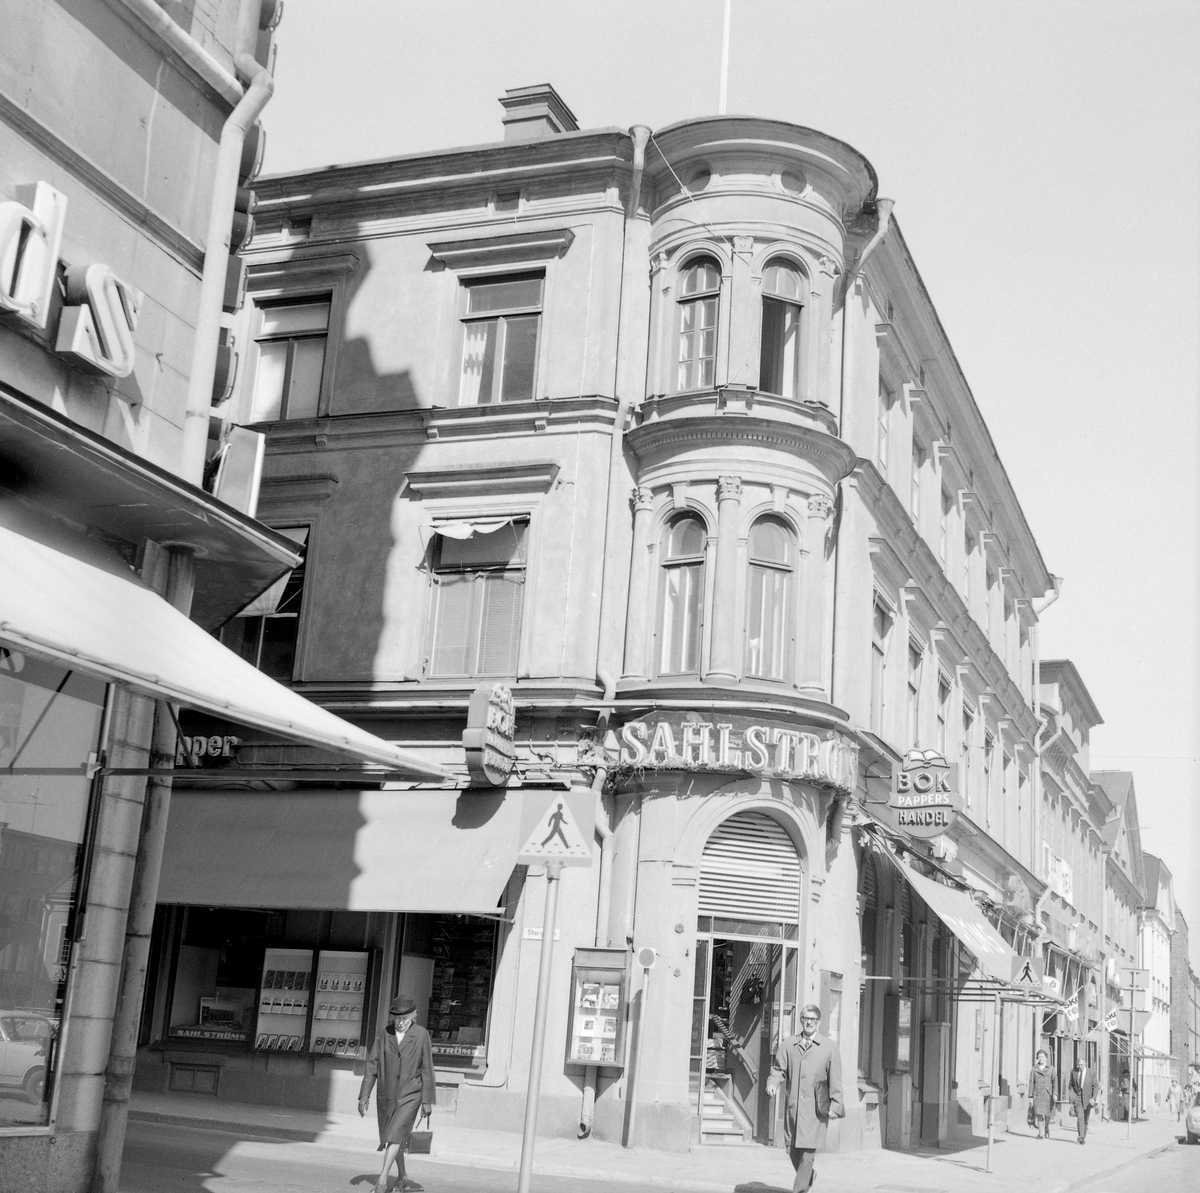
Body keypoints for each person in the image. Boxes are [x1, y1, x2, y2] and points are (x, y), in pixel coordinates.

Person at [358, 996, 435, 1193]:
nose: (400, 1022)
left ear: (413, 1016)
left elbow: (427, 1068)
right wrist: (364, 1095)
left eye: (404, 1018)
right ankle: (402, 1177)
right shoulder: (384, 1034)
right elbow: (372, 1065)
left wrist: (427, 1101)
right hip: (387, 1095)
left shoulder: (421, 1035)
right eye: (397, 1018)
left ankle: (382, 1180)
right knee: (395, 1137)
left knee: (394, 1135)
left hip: (411, 1094)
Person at [766, 1004, 844, 1192]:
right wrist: (773, 1083)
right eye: (806, 1018)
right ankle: (808, 1175)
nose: (809, 1022)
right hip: (794, 1108)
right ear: (801, 1020)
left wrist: (836, 1104)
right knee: (793, 1151)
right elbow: (778, 1069)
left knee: (808, 1155)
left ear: (819, 1021)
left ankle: (800, 1189)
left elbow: (835, 1078)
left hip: (815, 1112)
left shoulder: (829, 1047)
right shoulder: (789, 1044)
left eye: (813, 1019)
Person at [1068, 1059, 1097, 1144]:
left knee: (1085, 1118)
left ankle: (1083, 1135)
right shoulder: (1073, 1072)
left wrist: (1093, 1098)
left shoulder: (1091, 1072)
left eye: (1081, 1065)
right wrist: (1072, 1096)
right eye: (1078, 1065)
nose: (1079, 1066)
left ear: (1085, 1064)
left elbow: (1095, 1086)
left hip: (1088, 1098)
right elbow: (1071, 1084)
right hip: (1077, 1097)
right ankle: (1081, 1136)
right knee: (1080, 1117)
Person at [1028, 1049, 1056, 1139]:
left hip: (1048, 1094)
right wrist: (1030, 1096)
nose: (1041, 1059)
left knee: (1047, 1113)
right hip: (1037, 1094)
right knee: (1039, 1114)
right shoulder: (1034, 1069)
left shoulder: (1051, 1069)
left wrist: (1055, 1094)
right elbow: (1031, 1082)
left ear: (1046, 1058)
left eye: (1042, 1057)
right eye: (1039, 1057)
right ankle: (1041, 1133)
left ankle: (1046, 1127)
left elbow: (1055, 1082)